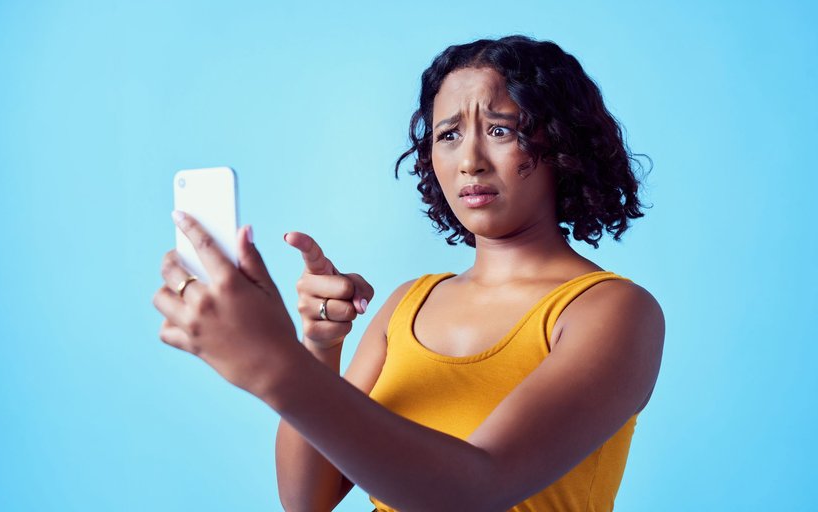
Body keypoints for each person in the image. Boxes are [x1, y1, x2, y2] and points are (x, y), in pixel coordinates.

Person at [153, 34, 665, 512]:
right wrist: (318, 349)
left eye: (500, 130)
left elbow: (476, 490)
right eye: (449, 135)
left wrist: (275, 365)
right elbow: (308, 500)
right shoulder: (408, 303)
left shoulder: (614, 310)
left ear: (561, 144)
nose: (470, 160)